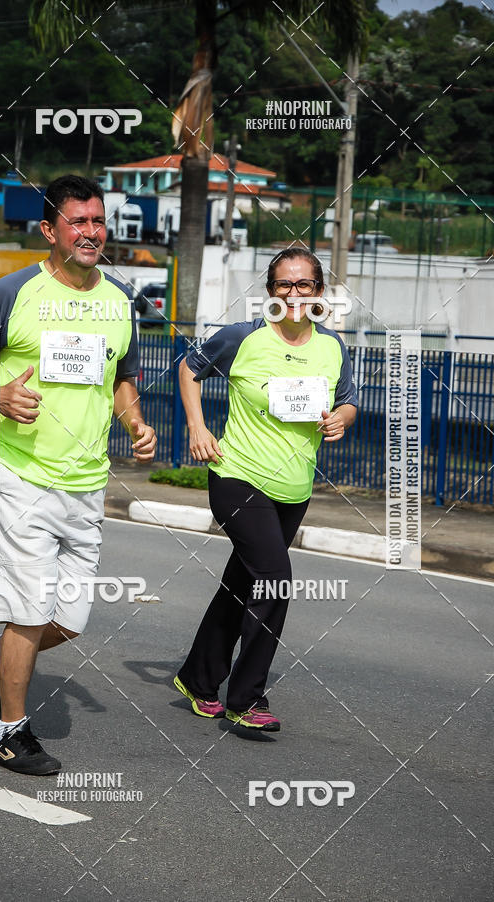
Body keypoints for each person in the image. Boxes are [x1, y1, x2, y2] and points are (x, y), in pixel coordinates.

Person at [0, 175, 156, 774]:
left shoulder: (119, 300)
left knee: (71, 620)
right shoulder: (14, 293)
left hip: (87, 481)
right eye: (77, 221)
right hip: (18, 475)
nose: (91, 232)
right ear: (48, 230)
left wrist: (135, 421)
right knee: (30, 611)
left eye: (98, 220)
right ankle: (11, 732)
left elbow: (122, 378)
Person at [174, 248, 357, 732]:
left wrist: (341, 419)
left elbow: (347, 401)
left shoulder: (333, 346)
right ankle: (247, 698)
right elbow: (188, 369)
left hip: (294, 490)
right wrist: (197, 426)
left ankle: (197, 678)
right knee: (274, 580)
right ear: (270, 291)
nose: (294, 293)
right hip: (237, 476)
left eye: (304, 284)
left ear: (320, 291)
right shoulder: (243, 337)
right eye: (283, 284)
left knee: (241, 586)